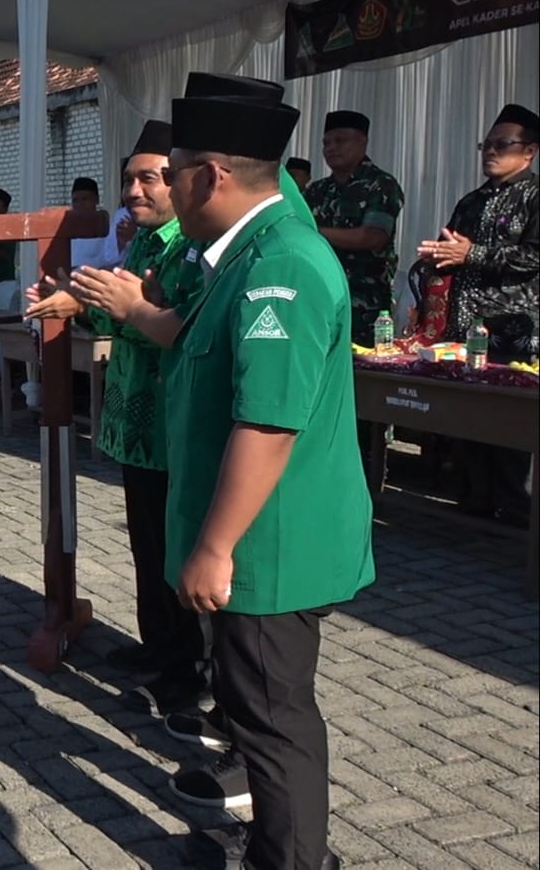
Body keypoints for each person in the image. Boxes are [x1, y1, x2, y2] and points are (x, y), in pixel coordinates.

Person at [84, 89, 370, 870]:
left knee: (273, 716)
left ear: (209, 176)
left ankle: (291, 859)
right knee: (254, 706)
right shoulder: (244, 254)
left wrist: (212, 548)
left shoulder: (280, 264)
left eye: (171, 173)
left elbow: (267, 423)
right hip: (257, 534)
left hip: (267, 543)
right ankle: (279, 844)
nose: (162, 190)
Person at [28, 119, 208, 717]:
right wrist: (73, 301)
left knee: (177, 554)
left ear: (181, 181)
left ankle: (188, 673)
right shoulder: (146, 242)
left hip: (173, 429)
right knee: (147, 548)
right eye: (128, 179)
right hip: (136, 425)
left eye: (148, 179)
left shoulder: (194, 246)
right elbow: (117, 314)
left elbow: (180, 328)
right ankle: (157, 647)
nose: (133, 191)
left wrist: (122, 308)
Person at [413, 102, 538, 526]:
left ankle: (515, 511)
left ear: (529, 152)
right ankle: (476, 502)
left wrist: (474, 254)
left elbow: (534, 256)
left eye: (503, 144)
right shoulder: (471, 200)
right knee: (470, 419)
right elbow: (455, 251)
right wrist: (438, 258)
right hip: (466, 327)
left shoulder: (535, 197)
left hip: (513, 329)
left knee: (508, 422)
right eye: (487, 144)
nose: (491, 151)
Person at [305, 111, 405, 347]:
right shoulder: (317, 190)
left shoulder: (380, 184)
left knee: (361, 365)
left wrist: (314, 232)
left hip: (364, 304)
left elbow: (372, 237)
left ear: (362, 142)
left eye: (340, 141)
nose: (331, 148)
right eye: (326, 143)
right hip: (320, 296)